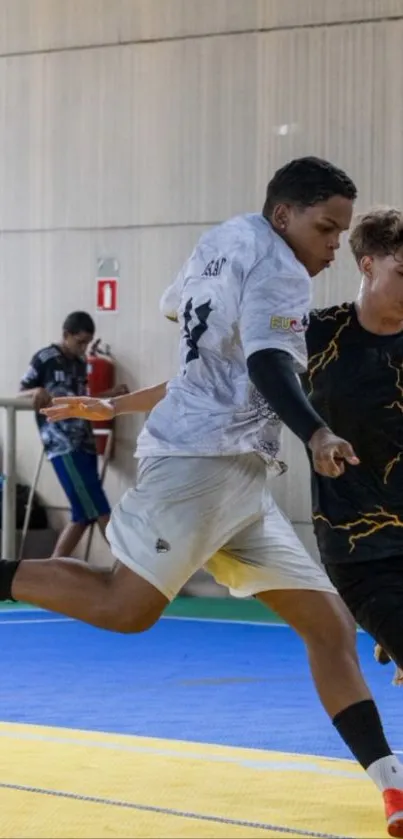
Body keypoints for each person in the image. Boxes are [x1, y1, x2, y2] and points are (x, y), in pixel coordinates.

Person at [2, 158, 403, 836]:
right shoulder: (278, 272)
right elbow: (266, 363)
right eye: (326, 228)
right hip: (200, 464)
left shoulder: (219, 246)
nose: (334, 245)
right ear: (284, 217)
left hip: (238, 475)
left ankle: (392, 790)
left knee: (328, 627)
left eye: (340, 232)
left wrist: (113, 402)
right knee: (124, 608)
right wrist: (314, 430)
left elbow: (200, 356)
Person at [299, 208, 403, 693]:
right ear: (367, 265)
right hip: (360, 548)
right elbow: (219, 382)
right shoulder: (316, 336)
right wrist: (115, 404)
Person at [18, 311, 127, 557]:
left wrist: (109, 394)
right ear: (66, 335)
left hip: (85, 442)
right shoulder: (45, 359)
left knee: (82, 514)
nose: (84, 348)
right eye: (80, 342)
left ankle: (52, 571)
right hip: (63, 445)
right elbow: (20, 392)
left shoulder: (80, 363)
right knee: (99, 508)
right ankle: (128, 568)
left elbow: (80, 401)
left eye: (87, 343)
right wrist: (35, 391)